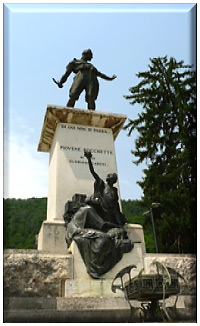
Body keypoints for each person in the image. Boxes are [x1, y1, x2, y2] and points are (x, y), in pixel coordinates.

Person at [84, 150, 127, 226]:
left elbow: (115, 205)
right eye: (108, 175)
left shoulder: (114, 190)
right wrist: (89, 159)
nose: (108, 176)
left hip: (110, 214)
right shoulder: (102, 184)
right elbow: (93, 172)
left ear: (113, 180)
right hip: (101, 209)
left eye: (110, 175)